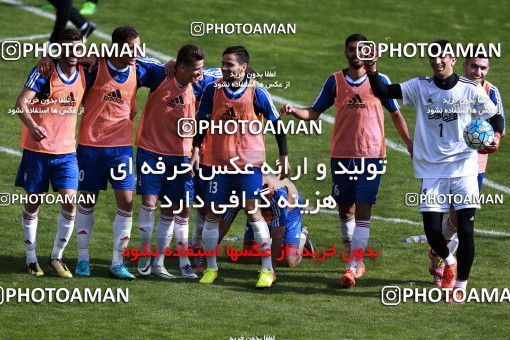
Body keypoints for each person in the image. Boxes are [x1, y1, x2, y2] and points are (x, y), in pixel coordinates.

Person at [367, 40, 504, 298]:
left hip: (464, 167)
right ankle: (448, 260)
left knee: (465, 229)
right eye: (433, 58)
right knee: (432, 230)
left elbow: (494, 114)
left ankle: (461, 286)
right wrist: (372, 68)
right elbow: (383, 91)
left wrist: (495, 135)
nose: (438, 62)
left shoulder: (470, 89)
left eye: (443, 57)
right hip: (432, 170)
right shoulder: (420, 86)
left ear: (452, 59)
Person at [280, 34, 412, 288]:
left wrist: (408, 142)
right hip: (341, 155)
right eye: (352, 49)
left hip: (372, 155)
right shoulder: (335, 81)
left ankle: (353, 263)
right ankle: (355, 257)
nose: (356, 53)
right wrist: (294, 111)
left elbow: (395, 114)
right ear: (346, 53)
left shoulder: (379, 81)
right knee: (345, 209)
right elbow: (314, 112)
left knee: (364, 207)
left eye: (361, 49)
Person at [192, 46, 290, 287]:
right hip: (219, 164)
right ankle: (211, 268)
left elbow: (277, 124)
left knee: (252, 211)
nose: (224, 68)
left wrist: (284, 156)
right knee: (212, 214)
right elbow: (201, 121)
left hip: (248, 165)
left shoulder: (257, 93)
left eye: (229, 64)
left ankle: (268, 270)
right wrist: (195, 149)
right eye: (223, 64)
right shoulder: (211, 91)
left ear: (243, 68)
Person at [427, 54, 506, 286]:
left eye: (483, 68)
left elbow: (499, 119)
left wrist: (497, 137)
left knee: (458, 218)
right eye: (474, 66)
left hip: (476, 164)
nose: (478, 72)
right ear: (464, 66)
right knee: (451, 214)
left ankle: (439, 255)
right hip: (447, 161)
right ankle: (442, 258)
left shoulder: (491, 91)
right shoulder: (453, 88)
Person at [14, 28, 86, 278]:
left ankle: (57, 256)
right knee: (34, 202)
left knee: (70, 201)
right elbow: (21, 103)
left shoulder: (84, 69)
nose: (75, 52)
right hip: (38, 151)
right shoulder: (44, 72)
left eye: (78, 47)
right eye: (69, 47)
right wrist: (33, 127)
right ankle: (31, 258)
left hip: (66, 152)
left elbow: (112, 56)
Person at [135, 45, 206, 280]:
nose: (200, 73)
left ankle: (166, 262)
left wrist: (195, 149)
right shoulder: (160, 75)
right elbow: (132, 58)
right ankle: (145, 256)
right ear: (180, 67)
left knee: (180, 209)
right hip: (151, 151)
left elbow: (229, 72)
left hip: (181, 156)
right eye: (196, 69)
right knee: (149, 202)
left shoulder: (201, 83)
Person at [220, 175, 314, 269]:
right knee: (248, 255)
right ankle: (269, 244)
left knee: (289, 260)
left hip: (289, 209)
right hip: (258, 201)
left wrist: (271, 263)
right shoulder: (239, 194)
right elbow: (225, 220)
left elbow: (278, 231)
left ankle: (302, 236)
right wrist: (209, 249)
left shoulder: (278, 196)